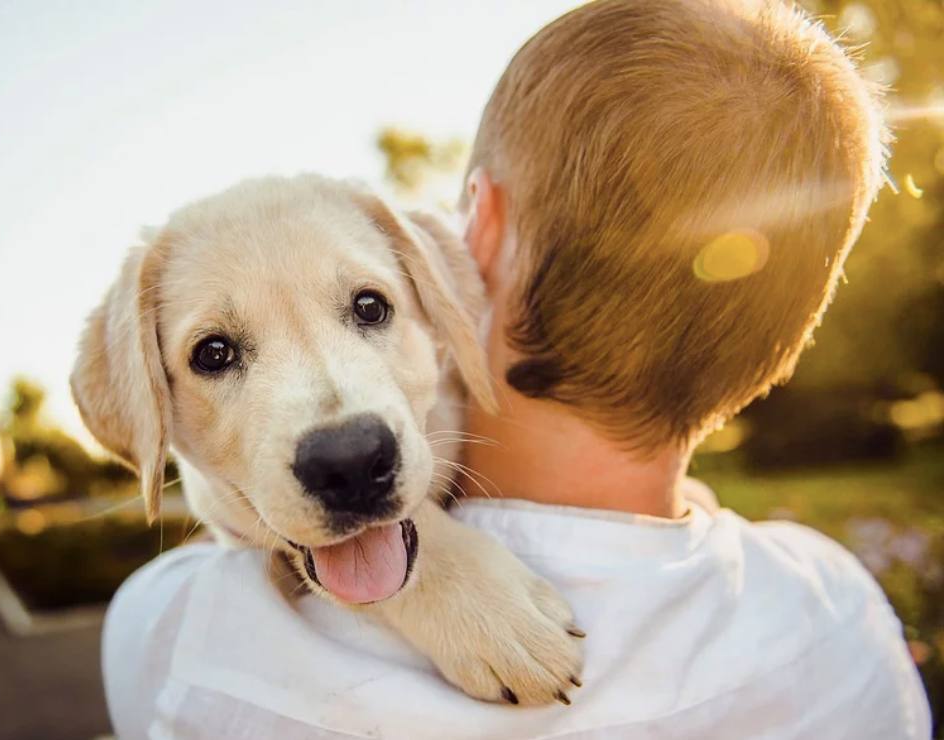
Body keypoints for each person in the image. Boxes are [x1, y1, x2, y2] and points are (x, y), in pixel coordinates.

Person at [101, 0, 932, 737]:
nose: (340, 426)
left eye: (367, 308)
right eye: (217, 354)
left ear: (477, 233)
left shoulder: (181, 639)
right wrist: (427, 573)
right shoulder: (841, 617)